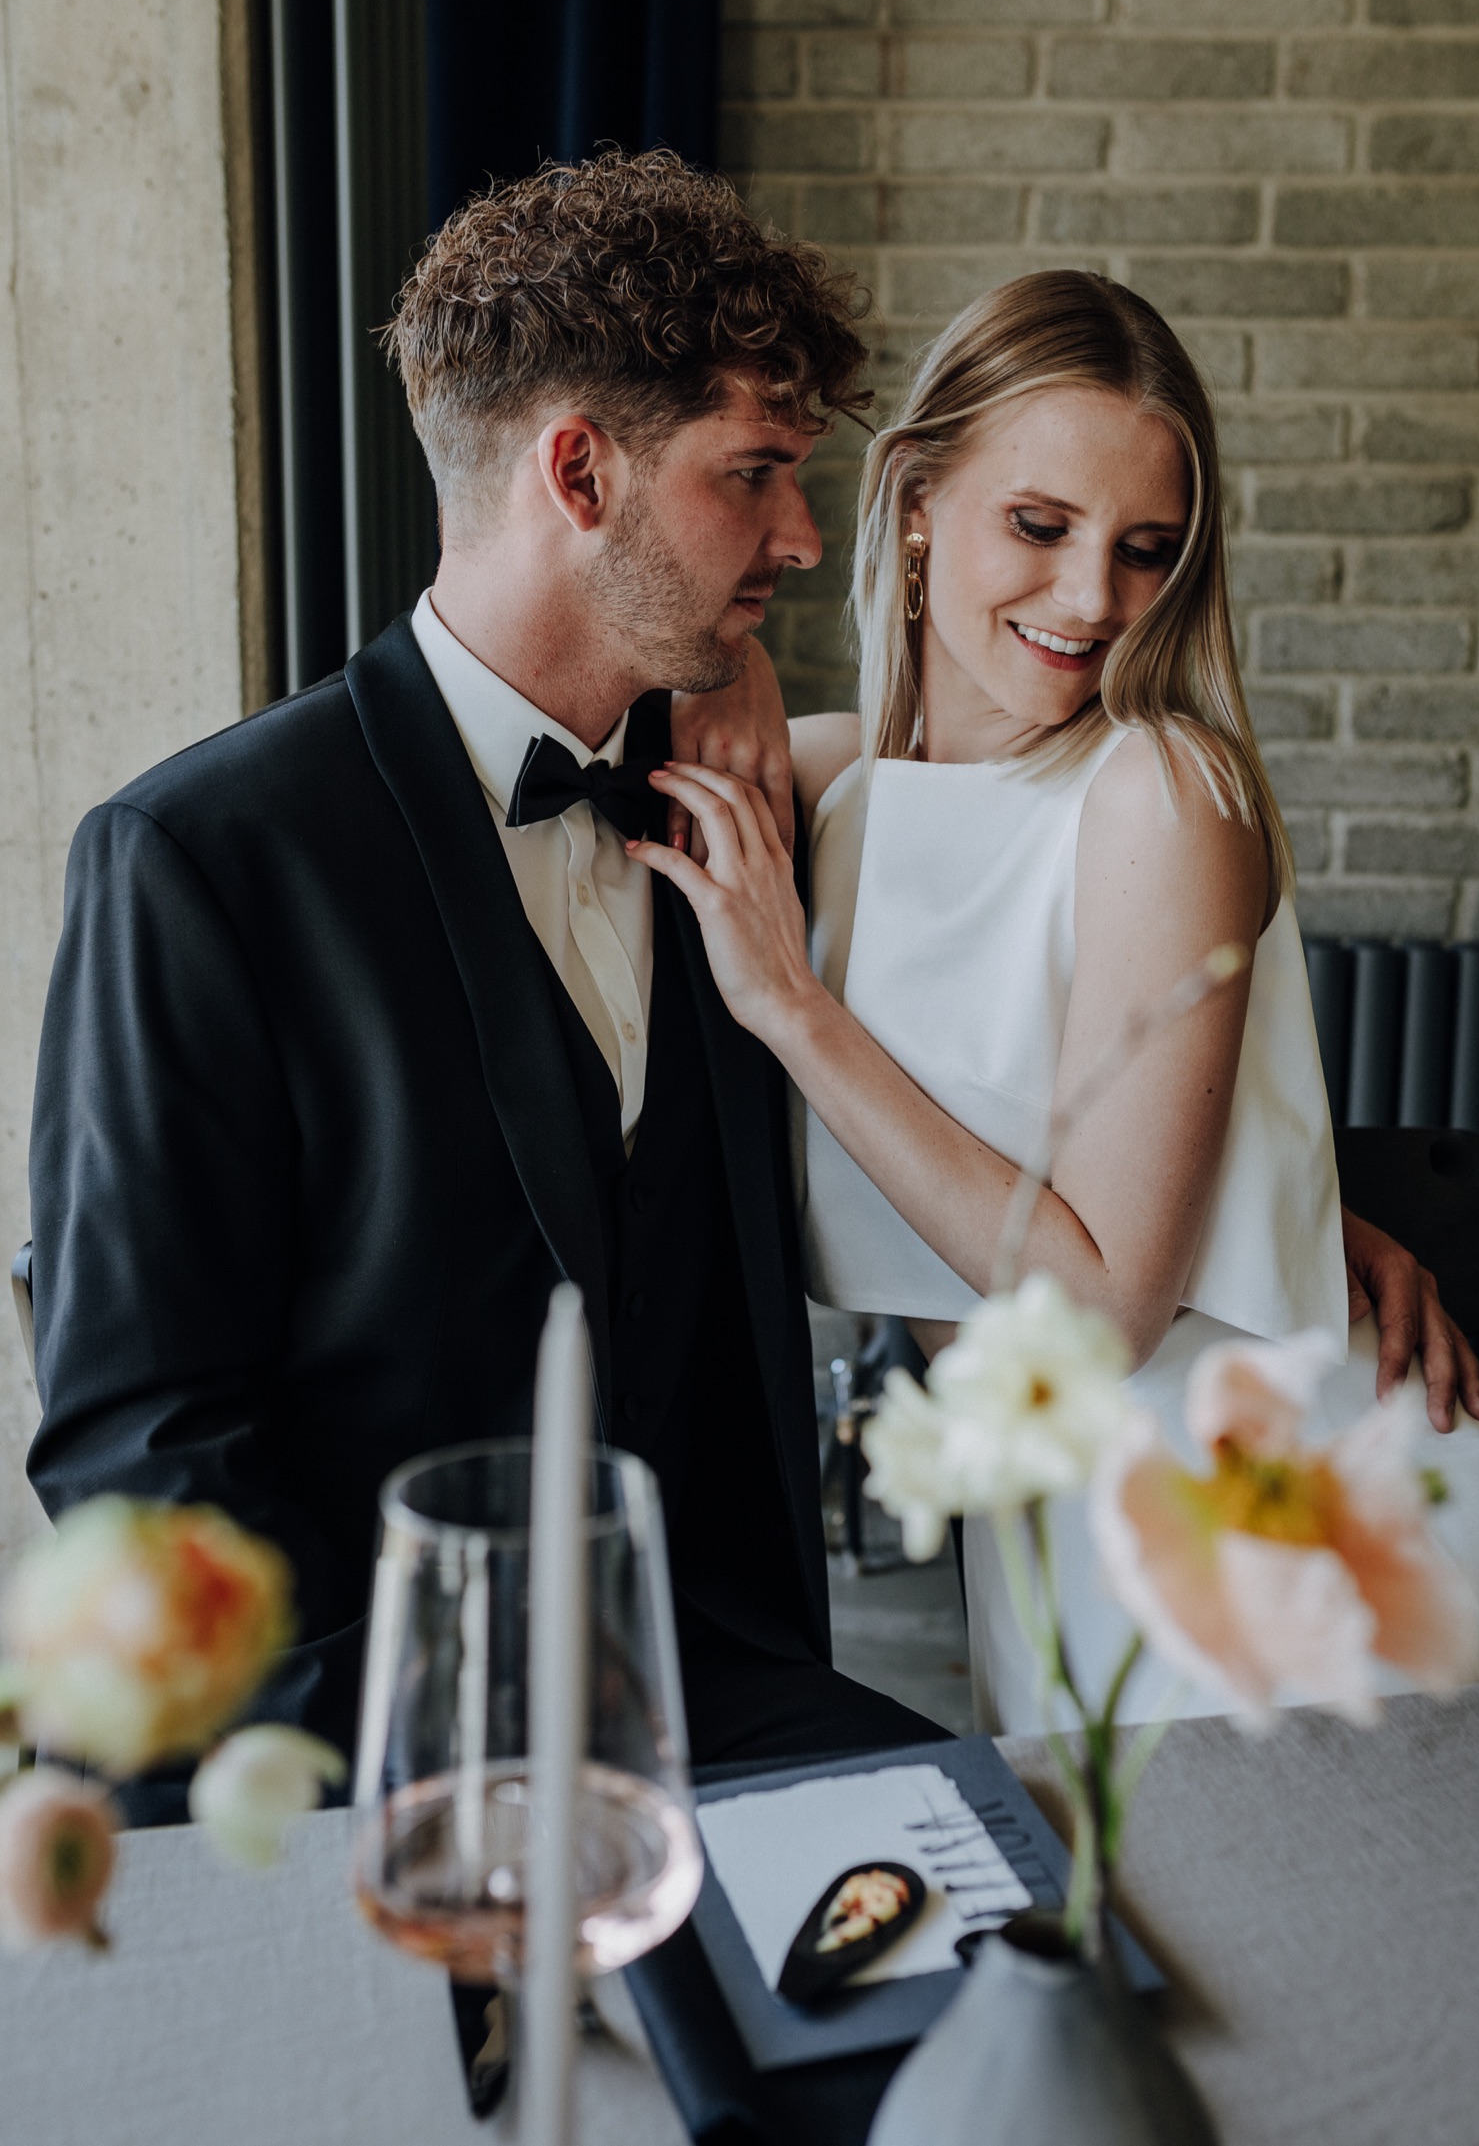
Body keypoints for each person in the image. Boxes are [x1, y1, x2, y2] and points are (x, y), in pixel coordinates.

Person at [25, 151, 952, 1796]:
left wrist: (1312, 1219)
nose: (804, 539)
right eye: (753, 474)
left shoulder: (739, 796)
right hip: (374, 1741)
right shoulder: (200, 859)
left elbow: (1016, 1031)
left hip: (716, 1686)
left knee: (1036, 1938)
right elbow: (141, 1444)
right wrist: (418, 1754)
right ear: (579, 472)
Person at [630, 270, 1479, 1733]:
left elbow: (1099, 1306)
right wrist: (738, 656)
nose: (1094, 598)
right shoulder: (833, 790)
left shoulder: (1165, 785)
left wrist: (796, 1009)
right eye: (1040, 526)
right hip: (1051, 1541)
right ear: (915, 498)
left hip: (1272, 1533)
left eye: (1148, 551)